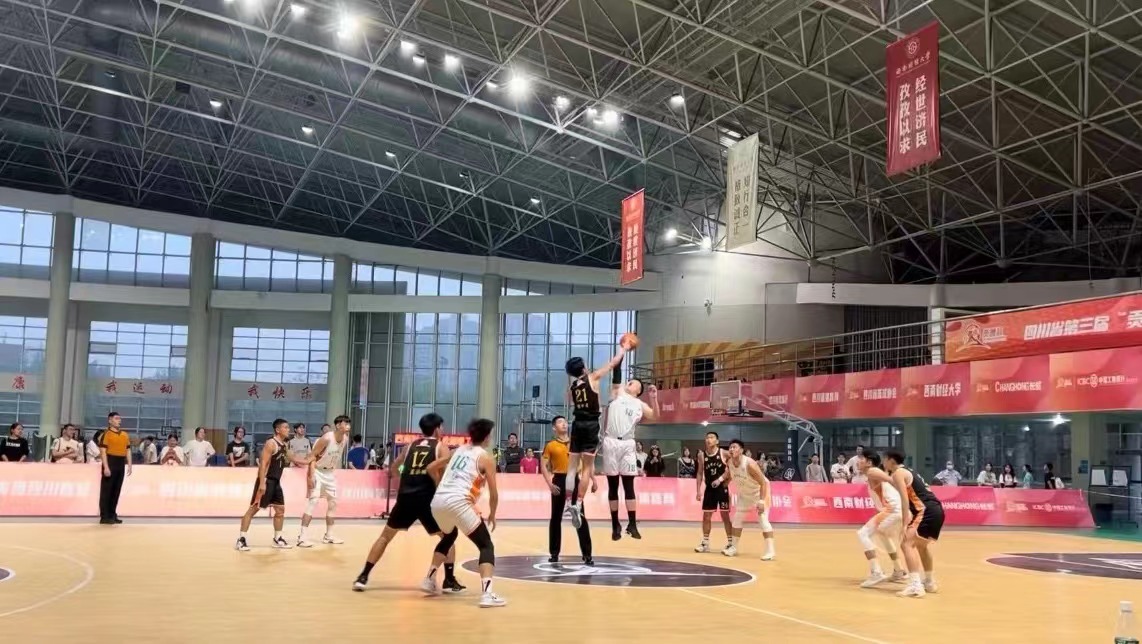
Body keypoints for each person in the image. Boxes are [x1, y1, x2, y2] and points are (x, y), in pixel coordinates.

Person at [353, 413, 464, 594]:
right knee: (448, 537)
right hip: (428, 499)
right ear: (437, 429)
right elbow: (443, 475)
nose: (442, 430)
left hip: (405, 497)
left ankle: (363, 576)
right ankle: (449, 580)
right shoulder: (441, 447)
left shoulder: (409, 446)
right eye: (441, 427)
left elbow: (393, 470)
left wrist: (408, 474)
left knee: (385, 537)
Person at [428, 418, 505, 608]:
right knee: (486, 545)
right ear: (487, 437)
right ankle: (487, 594)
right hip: (459, 502)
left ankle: (429, 579)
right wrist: (492, 514)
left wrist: (443, 487)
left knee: (449, 536)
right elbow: (494, 493)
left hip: (437, 502)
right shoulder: (485, 458)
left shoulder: (458, 450)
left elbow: (431, 467)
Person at [564, 339, 629, 529]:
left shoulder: (572, 388)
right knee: (586, 468)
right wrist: (623, 349)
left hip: (577, 425)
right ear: (584, 367)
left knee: (572, 468)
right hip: (591, 425)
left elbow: (570, 402)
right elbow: (613, 363)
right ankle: (578, 503)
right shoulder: (592, 377)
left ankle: (568, 502)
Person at [600, 370, 659, 540]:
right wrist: (619, 357)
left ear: (638, 390)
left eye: (632, 382)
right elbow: (616, 376)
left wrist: (654, 398)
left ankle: (632, 524)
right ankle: (615, 524)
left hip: (627, 444)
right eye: (629, 381)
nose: (628, 383)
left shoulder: (639, 404)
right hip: (611, 441)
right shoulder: (618, 392)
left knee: (628, 485)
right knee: (612, 485)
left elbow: (655, 416)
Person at [883, 449, 944, 598]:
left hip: (926, 510)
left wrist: (905, 523)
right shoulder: (909, 471)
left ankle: (915, 586)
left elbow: (904, 500)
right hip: (936, 510)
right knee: (922, 546)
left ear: (891, 460)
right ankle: (929, 582)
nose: (883, 462)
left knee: (906, 543)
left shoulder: (898, 473)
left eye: (884, 459)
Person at [541, 415, 593, 564]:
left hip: (575, 480)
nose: (564, 424)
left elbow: (587, 463)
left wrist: (593, 479)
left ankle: (587, 554)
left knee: (580, 515)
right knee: (555, 518)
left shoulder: (576, 443)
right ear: (554, 428)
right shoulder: (550, 445)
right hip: (559, 480)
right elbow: (543, 466)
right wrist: (550, 484)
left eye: (565, 422)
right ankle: (554, 553)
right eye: (560, 422)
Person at [235, 419, 292, 551]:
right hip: (266, 481)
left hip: (276, 482)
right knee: (253, 509)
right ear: (278, 430)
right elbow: (263, 464)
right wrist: (262, 484)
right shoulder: (271, 443)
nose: (288, 430)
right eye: (285, 427)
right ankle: (241, 539)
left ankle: (277, 538)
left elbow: (293, 458)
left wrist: (311, 459)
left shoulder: (284, 445)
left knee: (280, 510)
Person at [854, 451, 907, 588]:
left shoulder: (872, 471)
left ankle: (876, 572)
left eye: (861, 459)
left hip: (892, 509)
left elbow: (893, 481)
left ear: (869, 462)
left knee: (863, 533)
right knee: (883, 534)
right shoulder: (870, 474)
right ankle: (899, 570)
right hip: (894, 509)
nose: (858, 461)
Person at [297, 415, 351, 547]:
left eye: (349, 423)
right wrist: (311, 476)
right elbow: (312, 456)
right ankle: (302, 537)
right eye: (345, 423)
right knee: (313, 502)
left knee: (333, 503)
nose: (348, 426)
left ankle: (329, 536)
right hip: (318, 471)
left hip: (330, 473)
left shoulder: (345, 438)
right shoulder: (326, 438)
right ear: (338, 425)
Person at [724, 439, 776, 560]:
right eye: (730, 447)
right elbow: (730, 475)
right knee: (737, 519)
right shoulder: (730, 462)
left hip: (759, 493)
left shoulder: (749, 464)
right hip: (744, 494)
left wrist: (761, 501)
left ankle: (770, 551)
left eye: (734, 447)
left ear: (741, 450)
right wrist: (722, 483)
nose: (731, 449)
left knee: (763, 520)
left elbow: (763, 482)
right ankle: (734, 547)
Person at [694, 431, 733, 554]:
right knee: (706, 516)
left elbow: (733, 467)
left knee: (725, 516)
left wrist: (727, 480)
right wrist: (698, 490)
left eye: (711, 437)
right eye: (707, 438)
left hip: (722, 489)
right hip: (709, 489)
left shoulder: (724, 453)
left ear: (717, 441)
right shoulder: (701, 455)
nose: (709, 439)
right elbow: (699, 473)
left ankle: (730, 543)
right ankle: (705, 543)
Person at [97, 412, 132, 524]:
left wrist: (129, 464)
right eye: (116, 418)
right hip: (110, 461)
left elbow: (128, 450)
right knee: (107, 490)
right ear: (110, 420)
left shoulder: (125, 435)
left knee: (116, 490)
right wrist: (106, 467)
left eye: (119, 419)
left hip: (120, 462)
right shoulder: (106, 434)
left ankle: (112, 514)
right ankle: (104, 516)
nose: (119, 421)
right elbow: (103, 452)